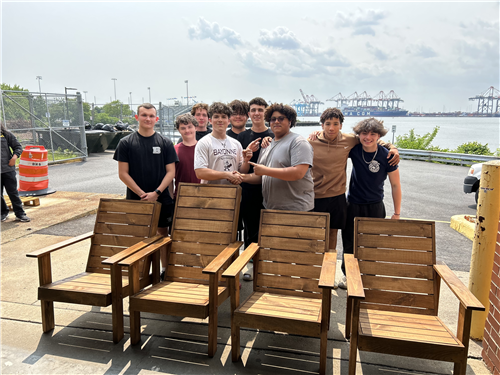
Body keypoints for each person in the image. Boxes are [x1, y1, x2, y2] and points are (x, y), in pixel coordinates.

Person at [309, 108, 399, 254]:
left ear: (341, 126)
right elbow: (367, 138)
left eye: (336, 124)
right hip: (319, 196)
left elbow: (370, 139)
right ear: (322, 125)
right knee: (322, 236)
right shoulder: (312, 142)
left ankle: (335, 267)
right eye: (327, 124)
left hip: (342, 197)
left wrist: (392, 147)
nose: (331, 127)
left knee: (338, 234)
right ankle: (324, 267)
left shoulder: (349, 140)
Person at [113, 103, 178, 276]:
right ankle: (140, 273)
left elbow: (171, 172)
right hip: (137, 200)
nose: (148, 119)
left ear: (156, 119)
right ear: (137, 117)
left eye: (151, 116)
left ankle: (165, 270)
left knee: (163, 235)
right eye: (144, 115)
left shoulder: (164, 143)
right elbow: (123, 173)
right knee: (139, 235)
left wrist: (156, 193)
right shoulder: (125, 143)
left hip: (161, 198)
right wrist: (142, 194)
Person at [339, 118, 402, 288]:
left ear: (378, 135)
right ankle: (348, 276)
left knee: (372, 244)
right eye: (364, 133)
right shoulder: (354, 149)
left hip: (375, 205)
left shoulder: (387, 155)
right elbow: (338, 137)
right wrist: (317, 133)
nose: (368, 137)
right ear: (359, 134)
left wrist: (397, 213)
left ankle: (368, 277)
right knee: (349, 242)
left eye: (373, 134)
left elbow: (395, 185)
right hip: (352, 203)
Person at [244, 103, 314, 212]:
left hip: (296, 210)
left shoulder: (298, 142)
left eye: (281, 119)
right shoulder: (267, 145)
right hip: (269, 208)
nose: (276, 121)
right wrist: (241, 177)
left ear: (290, 121)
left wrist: (265, 170)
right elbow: (262, 176)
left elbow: (298, 173)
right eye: (273, 119)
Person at [237, 97, 274, 281]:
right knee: (250, 227)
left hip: (271, 189)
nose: (257, 113)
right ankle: (250, 264)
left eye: (260, 109)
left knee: (268, 227)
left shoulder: (274, 135)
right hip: (248, 189)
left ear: (265, 112)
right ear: (249, 114)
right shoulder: (241, 137)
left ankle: (266, 263)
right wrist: (246, 158)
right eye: (253, 110)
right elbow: (241, 169)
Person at [194, 102, 253, 185]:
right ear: (210, 120)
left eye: (223, 117)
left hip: (233, 193)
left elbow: (242, 171)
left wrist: (246, 161)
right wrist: (227, 175)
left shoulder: (236, 144)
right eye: (216, 117)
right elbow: (200, 172)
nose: (220, 120)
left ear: (228, 121)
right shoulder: (203, 143)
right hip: (210, 194)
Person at [0, 121, 30, 222]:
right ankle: (3, 212)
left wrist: (14, 157)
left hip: (8, 169)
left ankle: (20, 213)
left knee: (13, 192)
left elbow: (18, 147)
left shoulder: (6, 135)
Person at [173, 113, 200, 197]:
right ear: (178, 130)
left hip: (202, 192)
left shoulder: (204, 148)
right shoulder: (174, 150)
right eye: (183, 128)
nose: (187, 131)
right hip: (181, 194)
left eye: (190, 127)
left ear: (195, 127)